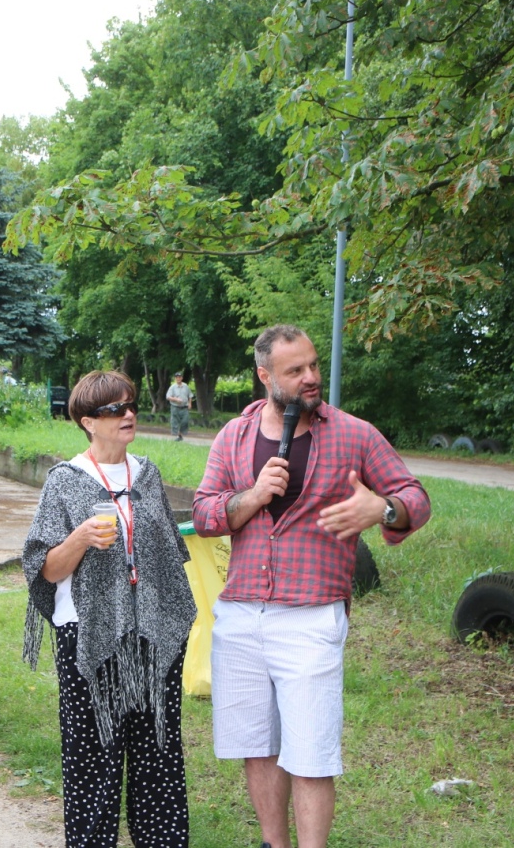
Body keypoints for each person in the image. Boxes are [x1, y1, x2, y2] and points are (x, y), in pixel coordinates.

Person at [192, 325, 431, 848]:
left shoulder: (354, 434)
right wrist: (252, 496)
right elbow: (205, 512)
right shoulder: (233, 435)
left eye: (313, 366)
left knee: (311, 751)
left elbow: (415, 495)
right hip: (242, 615)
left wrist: (383, 508)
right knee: (258, 746)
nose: (310, 378)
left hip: (311, 613)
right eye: (295, 370)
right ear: (264, 376)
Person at [23, 370, 197, 848]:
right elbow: (46, 569)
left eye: (131, 405)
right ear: (86, 421)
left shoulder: (148, 473)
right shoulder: (64, 480)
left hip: (153, 633)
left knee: (158, 753)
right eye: (114, 409)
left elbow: (166, 556)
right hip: (89, 636)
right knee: (93, 756)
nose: (128, 415)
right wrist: (79, 538)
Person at [165, 372, 192, 441]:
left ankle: (181, 433)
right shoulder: (172, 387)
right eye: (177, 377)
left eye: (179, 377)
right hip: (175, 406)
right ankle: (177, 435)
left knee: (185, 421)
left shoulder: (185, 386)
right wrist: (176, 399)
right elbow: (168, 397)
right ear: (175, 378)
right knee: (175, 421)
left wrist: (190, 403)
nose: (178, 378)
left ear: (182, 378)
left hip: (184, 407)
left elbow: (190, 395)